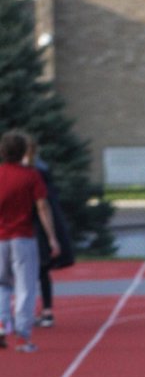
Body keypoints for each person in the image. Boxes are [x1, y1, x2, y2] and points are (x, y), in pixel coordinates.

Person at [0, 130, 59, 353]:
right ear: (23, 151)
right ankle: (22, 336)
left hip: (1, 238)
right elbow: (42, 206)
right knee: (25, 287)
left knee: (2, 284)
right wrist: (52, 237)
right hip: (23, 237)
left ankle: (2, 325)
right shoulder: (30, 175)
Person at [26, 135, 73, 329]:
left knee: (31, 270)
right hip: (39, 224)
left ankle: (33, 312)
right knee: (39, 270)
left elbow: (41, 203)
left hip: (34, 225)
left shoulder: (34, 171)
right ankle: (44, 311)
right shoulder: (39, 168)